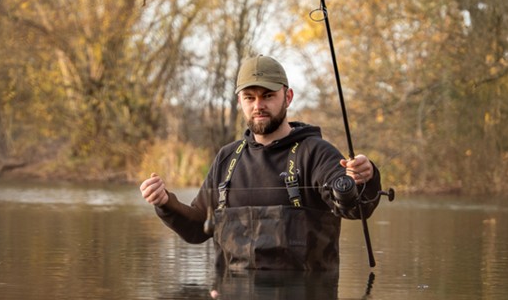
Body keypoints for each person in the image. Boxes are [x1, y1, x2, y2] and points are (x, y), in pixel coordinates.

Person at [140, 54, 382, 270]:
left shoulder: (316, 152)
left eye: (268, 96)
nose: (258, 106)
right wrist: (165, 203)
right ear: (240, 102)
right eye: (250, 97)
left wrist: (363, 177)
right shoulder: (226, 158)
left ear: (288, 97)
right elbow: (197, 229)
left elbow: (355, 208)